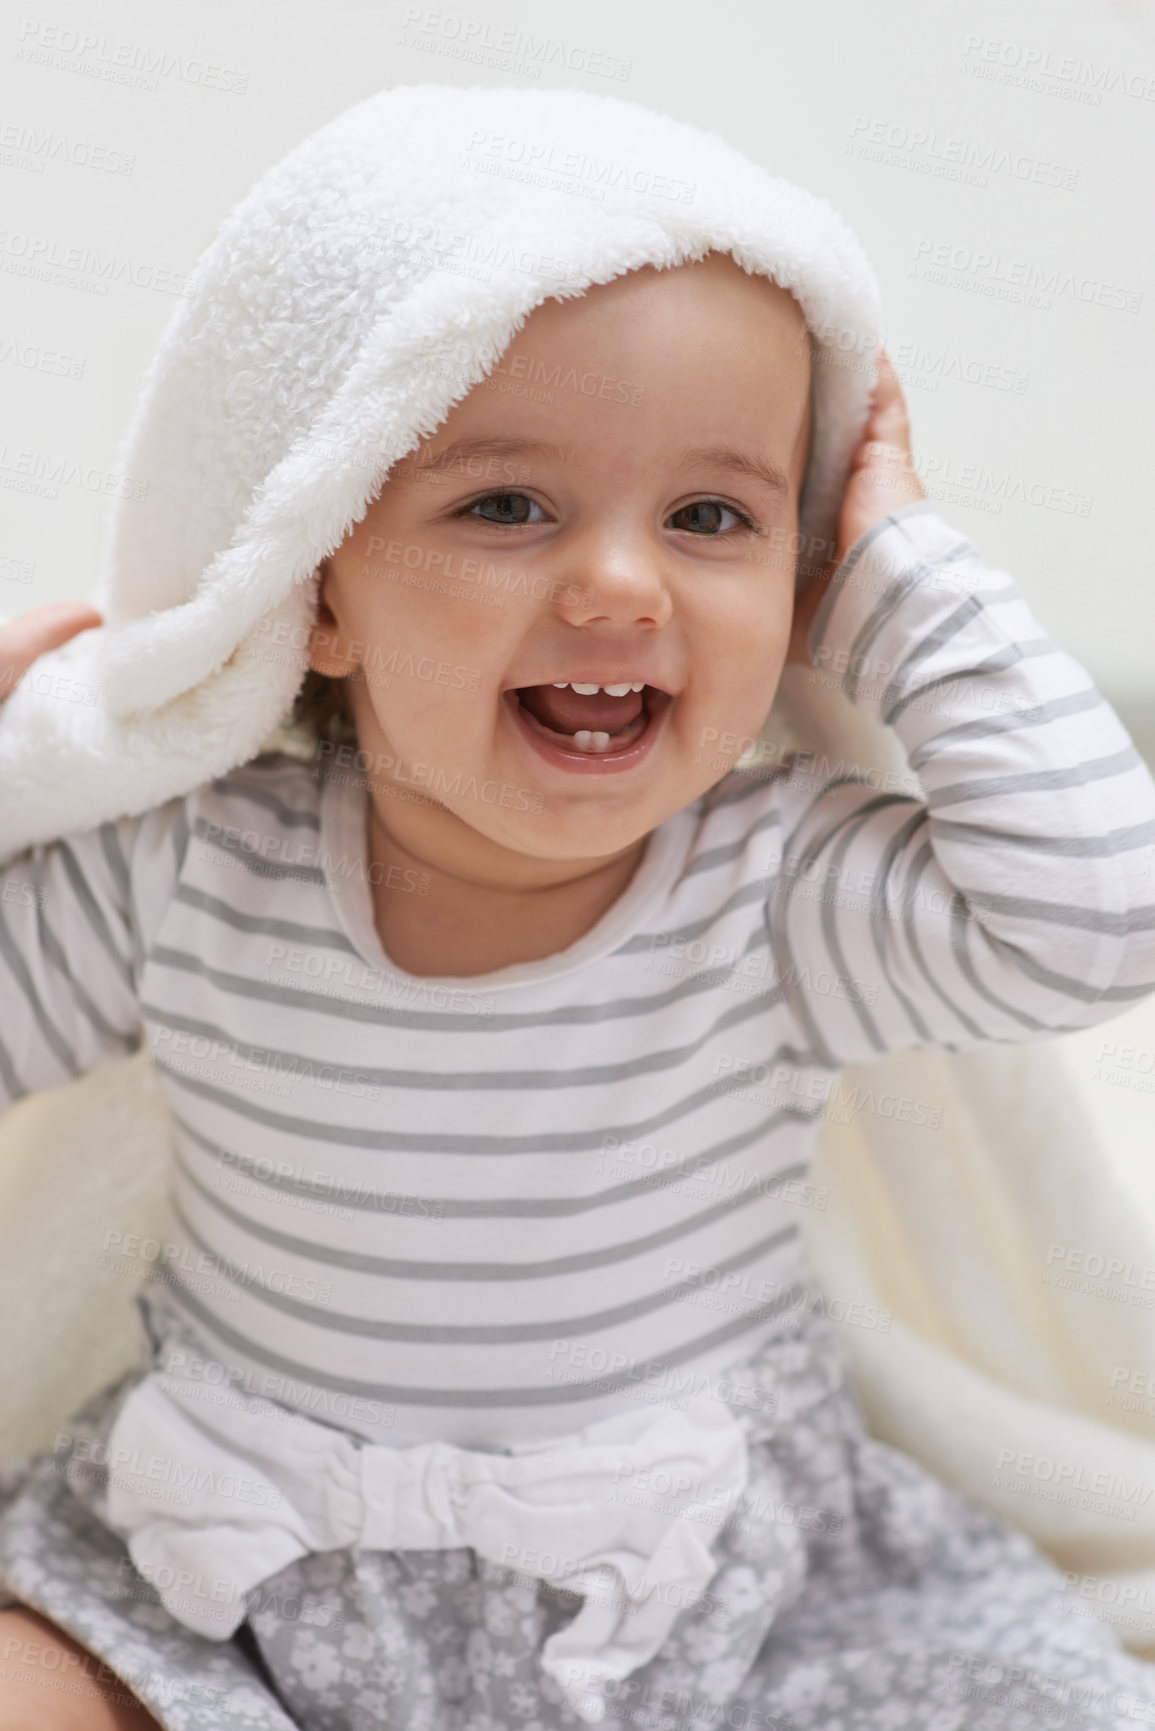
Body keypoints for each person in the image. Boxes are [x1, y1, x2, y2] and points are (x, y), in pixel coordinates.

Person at [0, 85, 1153, 1731]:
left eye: (712, 518)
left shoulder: (773, 893)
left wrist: (897, 579)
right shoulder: (191, 876)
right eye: (506, 506)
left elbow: (1101, 921)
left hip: (704, 1607)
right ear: (316, 585)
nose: (621, 584)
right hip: (224, 1583)